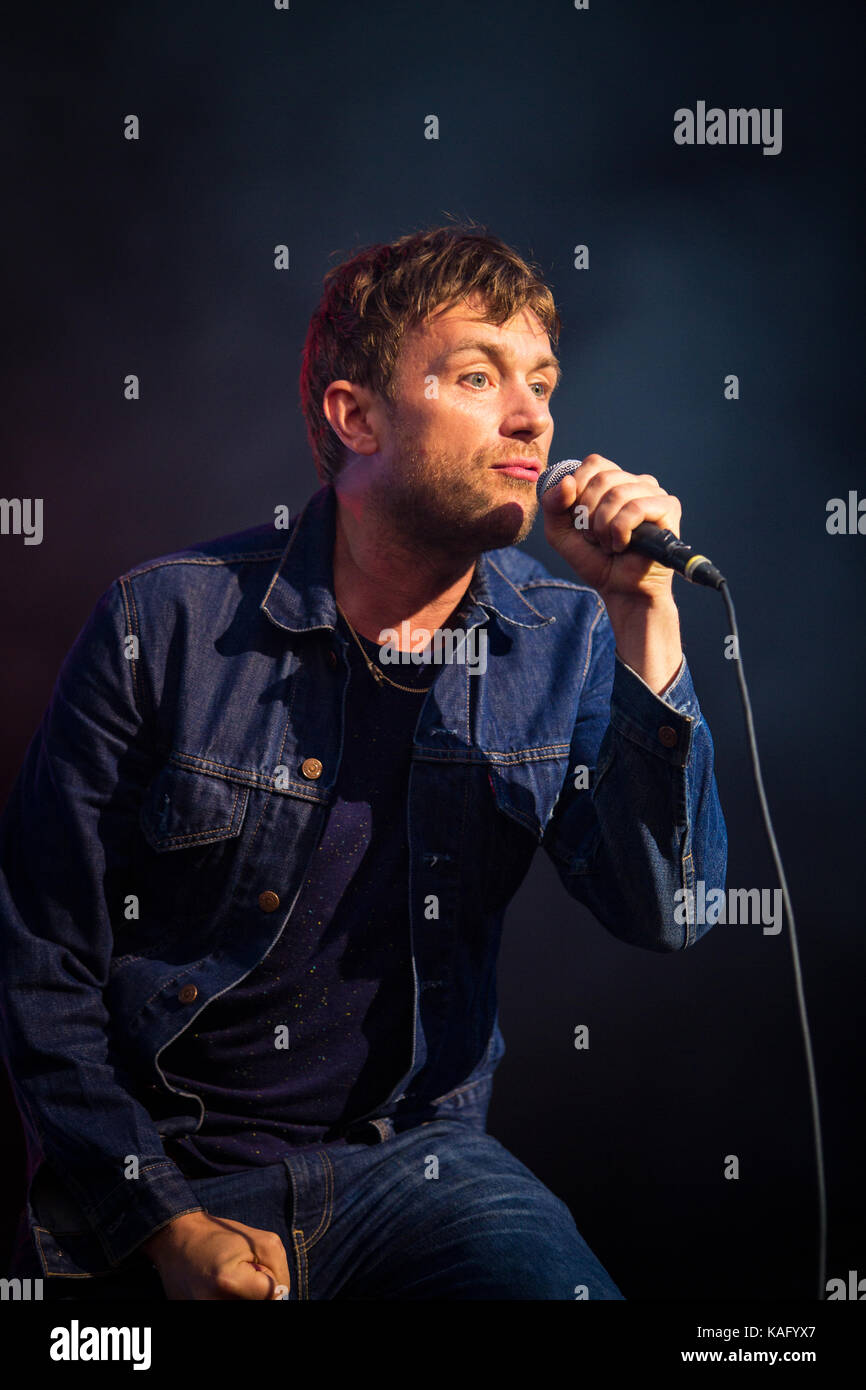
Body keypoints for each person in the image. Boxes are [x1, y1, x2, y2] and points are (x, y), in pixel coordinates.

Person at [0, 224, 727, 1301]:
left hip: (419, 1165)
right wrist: (160, 1224)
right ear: (356, 415)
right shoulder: (166, 619)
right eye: (479, 375)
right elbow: (40, 963)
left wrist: (642, 613)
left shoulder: (569, 636)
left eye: (540, 383)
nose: (532, 417)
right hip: (166, 1168)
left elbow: (665, 911)